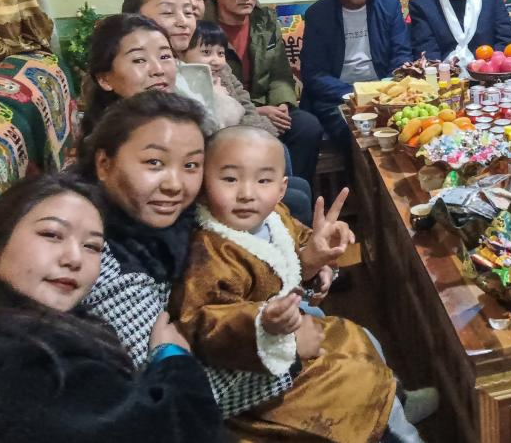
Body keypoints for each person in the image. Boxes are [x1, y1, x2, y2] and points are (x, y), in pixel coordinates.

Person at [170, 127, 434, 441]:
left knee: (363, 338)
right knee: (354, 381)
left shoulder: (274, 217)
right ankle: (396, 428)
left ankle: (395, 402)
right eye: (230, 179)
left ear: (281, 189)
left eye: (263, 180)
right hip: (257, 376)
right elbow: (203, 321)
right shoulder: (208, 251)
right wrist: (263, 322)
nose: (247, 193)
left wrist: (317, 257)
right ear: (202, 185)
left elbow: (299, 245)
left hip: (292, 337)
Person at [76, 91, 296, 420]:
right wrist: (291, 352)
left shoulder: (181, 218)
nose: (175, 185)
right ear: (104, 164)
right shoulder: (107, 267)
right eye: (154, 163)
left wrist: (311, 262)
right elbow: (168, 403)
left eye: (190, 165)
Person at [0, 174, 224, 442]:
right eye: (52, 234)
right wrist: (174, 359)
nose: (75, 258)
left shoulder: (57, 328)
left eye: (92, 246)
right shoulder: (26, 361)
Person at [83, 14, 312, 224]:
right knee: (293, 199)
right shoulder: (115, 135)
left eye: (165, 56)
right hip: (182, 218)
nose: (158, 69)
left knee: (294, 185)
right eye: (139, 60)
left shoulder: (174, 113)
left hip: (197, 202)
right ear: (104, 78)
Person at [204, 0, 323, 185]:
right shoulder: (201, 27)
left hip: (267, 103)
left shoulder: (264, 19)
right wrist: (257, 111)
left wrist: (282, 104)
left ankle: (291, 192)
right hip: (229, 112)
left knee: (307, 126)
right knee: (258, 135)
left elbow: (280, 71)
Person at [300, 0, 413, 149]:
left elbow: (402, 55)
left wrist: (386, 89)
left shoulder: (388, 4)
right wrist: (355, 93)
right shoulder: (318, 15)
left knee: (408, 125)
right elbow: (314, 74)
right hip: (339, 97)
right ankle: (357, 171)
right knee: (356, 133)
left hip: (384, 92)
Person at [122, 0, 217, 130]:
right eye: (168, 13)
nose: (183, 22)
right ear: (135, 17)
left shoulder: (197, 60)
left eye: (188, 13)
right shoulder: (136, 74)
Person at [182, 20, 277, 134]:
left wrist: (259, 131)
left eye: (220, 53)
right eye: (206, 52)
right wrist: (216, 97)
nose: (216, 61)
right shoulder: (183, 84)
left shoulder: (224, 72)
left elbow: (245, 102)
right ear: (182, 53)